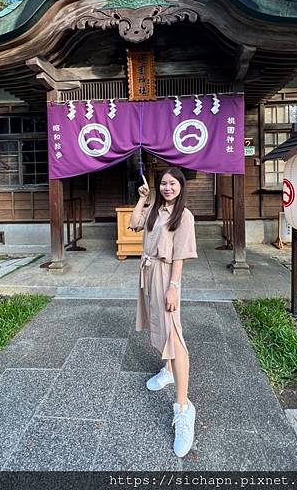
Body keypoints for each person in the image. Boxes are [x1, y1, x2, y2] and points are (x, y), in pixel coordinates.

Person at [129, 167, 198, 458]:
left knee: (173, 333)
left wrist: (174, 286)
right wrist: (143, 199)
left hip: (166, 274)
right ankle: (167, 371)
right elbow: (133, 224)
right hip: (148, 271)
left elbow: (180, 255)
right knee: (159, 325)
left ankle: (184, 408)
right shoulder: (155, 210)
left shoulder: (184, 216)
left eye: (173, 183)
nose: (167, 187)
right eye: (163, 184)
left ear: (181, 186)